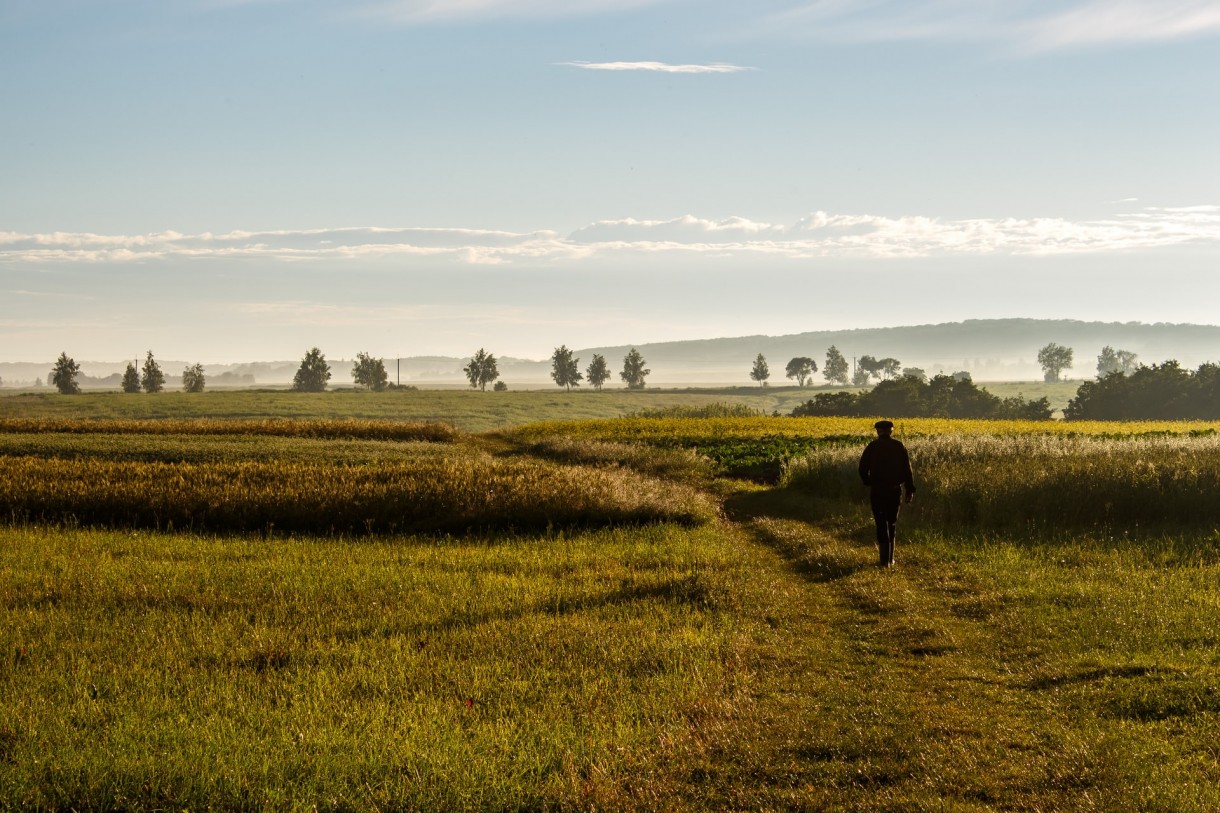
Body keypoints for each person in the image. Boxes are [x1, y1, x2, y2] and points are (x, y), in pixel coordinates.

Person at [858, 420, 915, 567]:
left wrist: (868, 482)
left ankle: (883, 561)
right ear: (891, 431)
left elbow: (862, 468)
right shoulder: (898, 446)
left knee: (880, 523)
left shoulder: (872, 446)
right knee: (892, 523)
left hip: (877, 490)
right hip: (894, 489)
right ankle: (891, 559)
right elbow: (907, 470)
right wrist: (909, 489)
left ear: (877, 431)